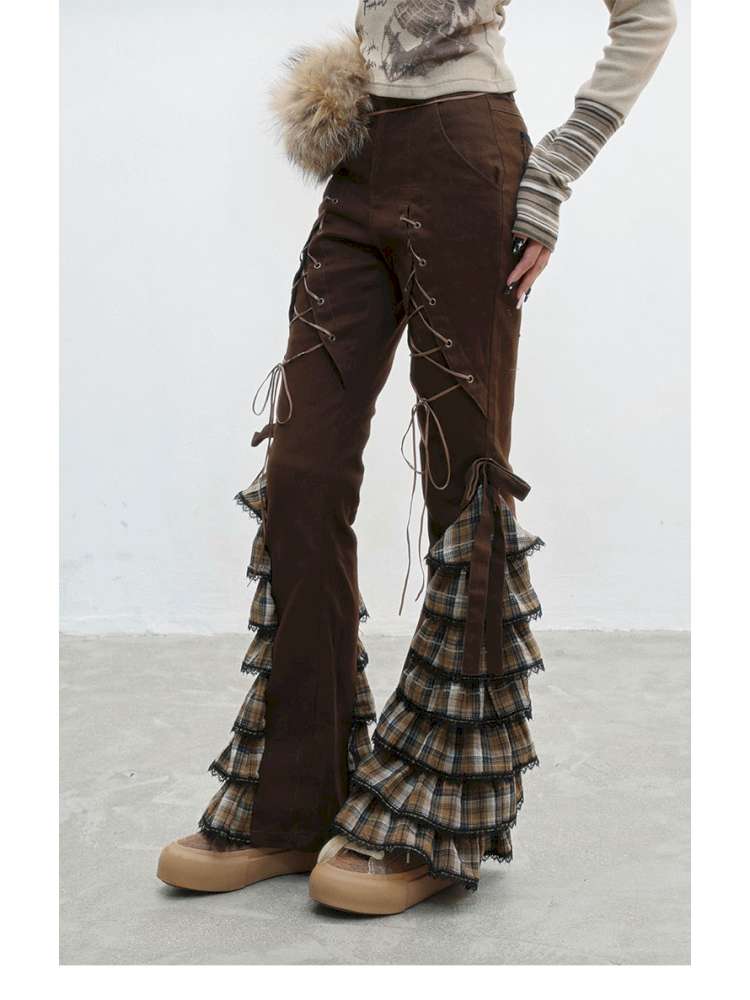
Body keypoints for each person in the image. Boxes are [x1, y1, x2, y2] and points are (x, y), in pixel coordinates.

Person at [157, 0, 677, 915]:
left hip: (469, 158)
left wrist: (556, 169)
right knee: (301, 472)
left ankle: (440, 818)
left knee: (462, 480)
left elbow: (648, 14)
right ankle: (295, 801)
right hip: (360, 158)